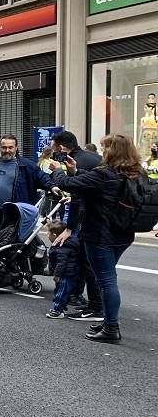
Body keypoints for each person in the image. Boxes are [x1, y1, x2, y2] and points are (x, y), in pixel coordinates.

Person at [51, 134, 146, 342]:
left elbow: (69, 183)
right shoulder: (136, 173)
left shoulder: (104, 174)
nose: (102, 153)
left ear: (113, 151)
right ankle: (108, 321)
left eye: (105, 149)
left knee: (107, 282)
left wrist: (59, 171)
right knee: (107, 278)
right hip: (124, 233)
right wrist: (76, 170)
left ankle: (111, 328)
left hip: (100, 234)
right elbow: (90, 182)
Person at [48, 130, 103, 320]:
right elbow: (89, 189)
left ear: (62, 147)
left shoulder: (75, 161)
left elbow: (72, 187)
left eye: (56, 147)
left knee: (88, 263)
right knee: (93, 264)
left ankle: (97, 306)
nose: (54, 151)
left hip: (91, 220)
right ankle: (93, 303)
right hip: (100, 216)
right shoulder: (94, 158)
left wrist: (70, 228)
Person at [0, 135, 53, 238]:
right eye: (4, 147)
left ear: (16, 148)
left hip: (12, 213)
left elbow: (41, 177)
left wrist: (52, 186)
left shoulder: (26, 165)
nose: (7, 150)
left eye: (10, 147)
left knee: (11, 243)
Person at [45, 220, 79, 320]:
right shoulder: (64, 244)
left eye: (48, 234)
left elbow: (61, 263)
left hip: (65, 274)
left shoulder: (62, 246)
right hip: (67, 273)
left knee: (61, 292)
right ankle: (59, 308)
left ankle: (58, 311)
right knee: (61, 291)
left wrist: (56, 275)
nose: (48, 236)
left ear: (55, 235)